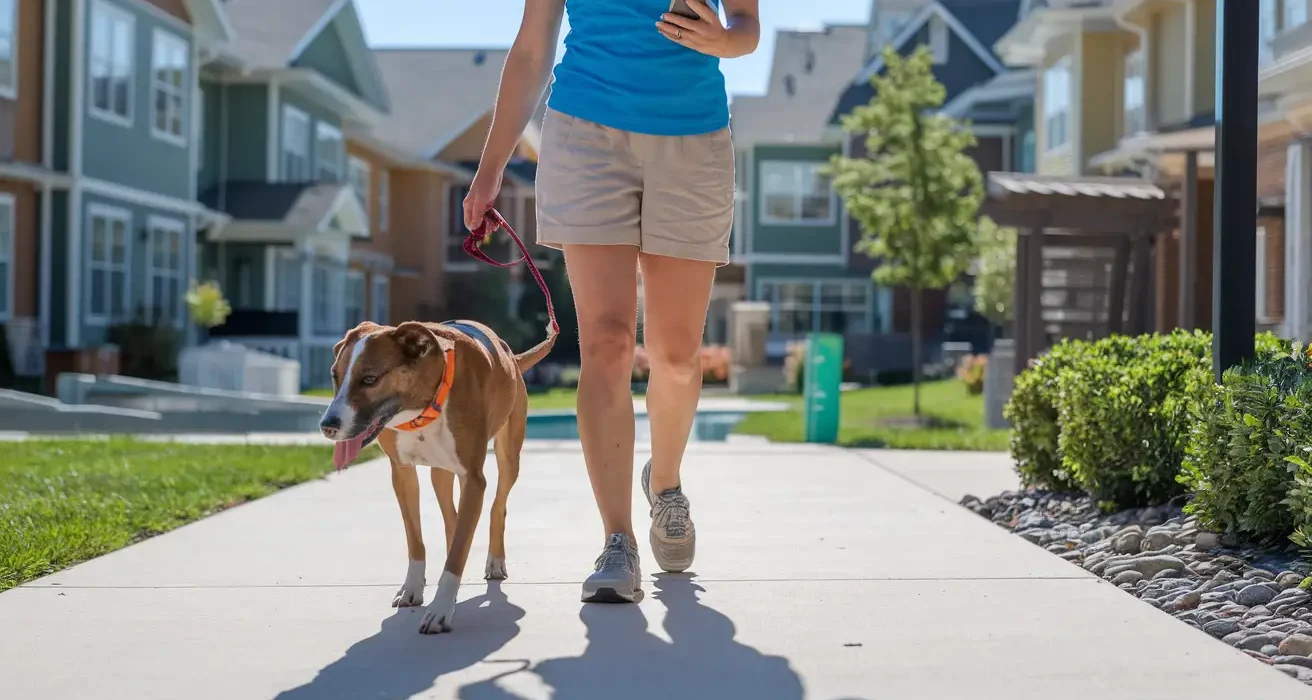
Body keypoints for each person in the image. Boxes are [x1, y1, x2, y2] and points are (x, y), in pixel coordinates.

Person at [463, 0, 760, 603]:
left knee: (676, 355)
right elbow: (532, 45)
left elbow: (747, 27)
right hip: (583, 137)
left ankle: (666, 484)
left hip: (694, 139)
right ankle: (617, 540)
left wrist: (722, 41)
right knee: (607, 341)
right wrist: (491, 166)